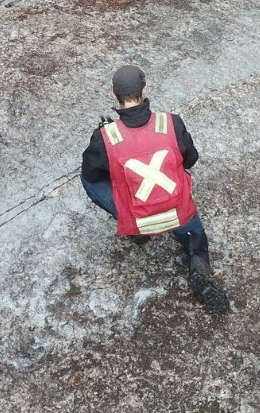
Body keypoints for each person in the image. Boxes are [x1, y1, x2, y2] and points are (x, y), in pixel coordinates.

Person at [81, 64, 230, 314]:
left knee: (89, 182)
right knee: (194, 234)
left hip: (138, 217)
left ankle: (138, 231)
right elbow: (191, 159)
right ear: (145, 90)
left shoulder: (106, 137)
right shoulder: (171, 123)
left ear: (113, 95)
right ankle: (199, 268)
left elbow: (91, 174)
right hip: (176, 212)